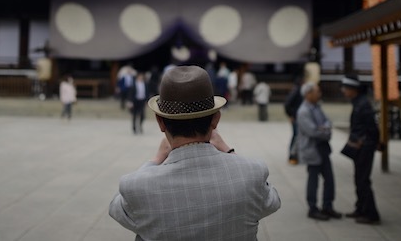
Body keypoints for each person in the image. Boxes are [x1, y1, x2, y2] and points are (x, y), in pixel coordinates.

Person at [109, 65, 281, 240]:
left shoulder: (137, 187)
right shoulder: (252, 174)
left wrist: (156, 159)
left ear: (160, 122)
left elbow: (116, 209)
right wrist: (228, 150)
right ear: (216, 119)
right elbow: (272, 201)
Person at [297, 82, 341, 221]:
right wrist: (324, 130)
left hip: (323, 148)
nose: (319, 94)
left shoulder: (317, 107)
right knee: (313, 180)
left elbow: (327, 122)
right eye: (317, 91)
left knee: (329, 179)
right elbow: (312, 131)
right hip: (312, 149)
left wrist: (324, 128)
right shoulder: (303, 111)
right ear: (308, 94)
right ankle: (313, 208)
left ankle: (328, 206)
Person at [340, 73, 381, 224]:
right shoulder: (358, 102)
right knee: (359, 179)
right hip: (361, 146)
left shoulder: (363, 104)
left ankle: (371, 213)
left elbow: (372, 128)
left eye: (346, 88)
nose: (343, 91)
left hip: (365, 147)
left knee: (363, 180)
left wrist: (367, 142)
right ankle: (361, 208)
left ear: (354, 89)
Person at [284, 74, 303, 165]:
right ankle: (292, 155)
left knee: (297, 136)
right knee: (296, 136)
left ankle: (296, 155)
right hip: (295, 117)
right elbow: (287, 104)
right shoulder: (297, 90)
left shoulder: (299, 90)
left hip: (298, 116)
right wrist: (291, 115)